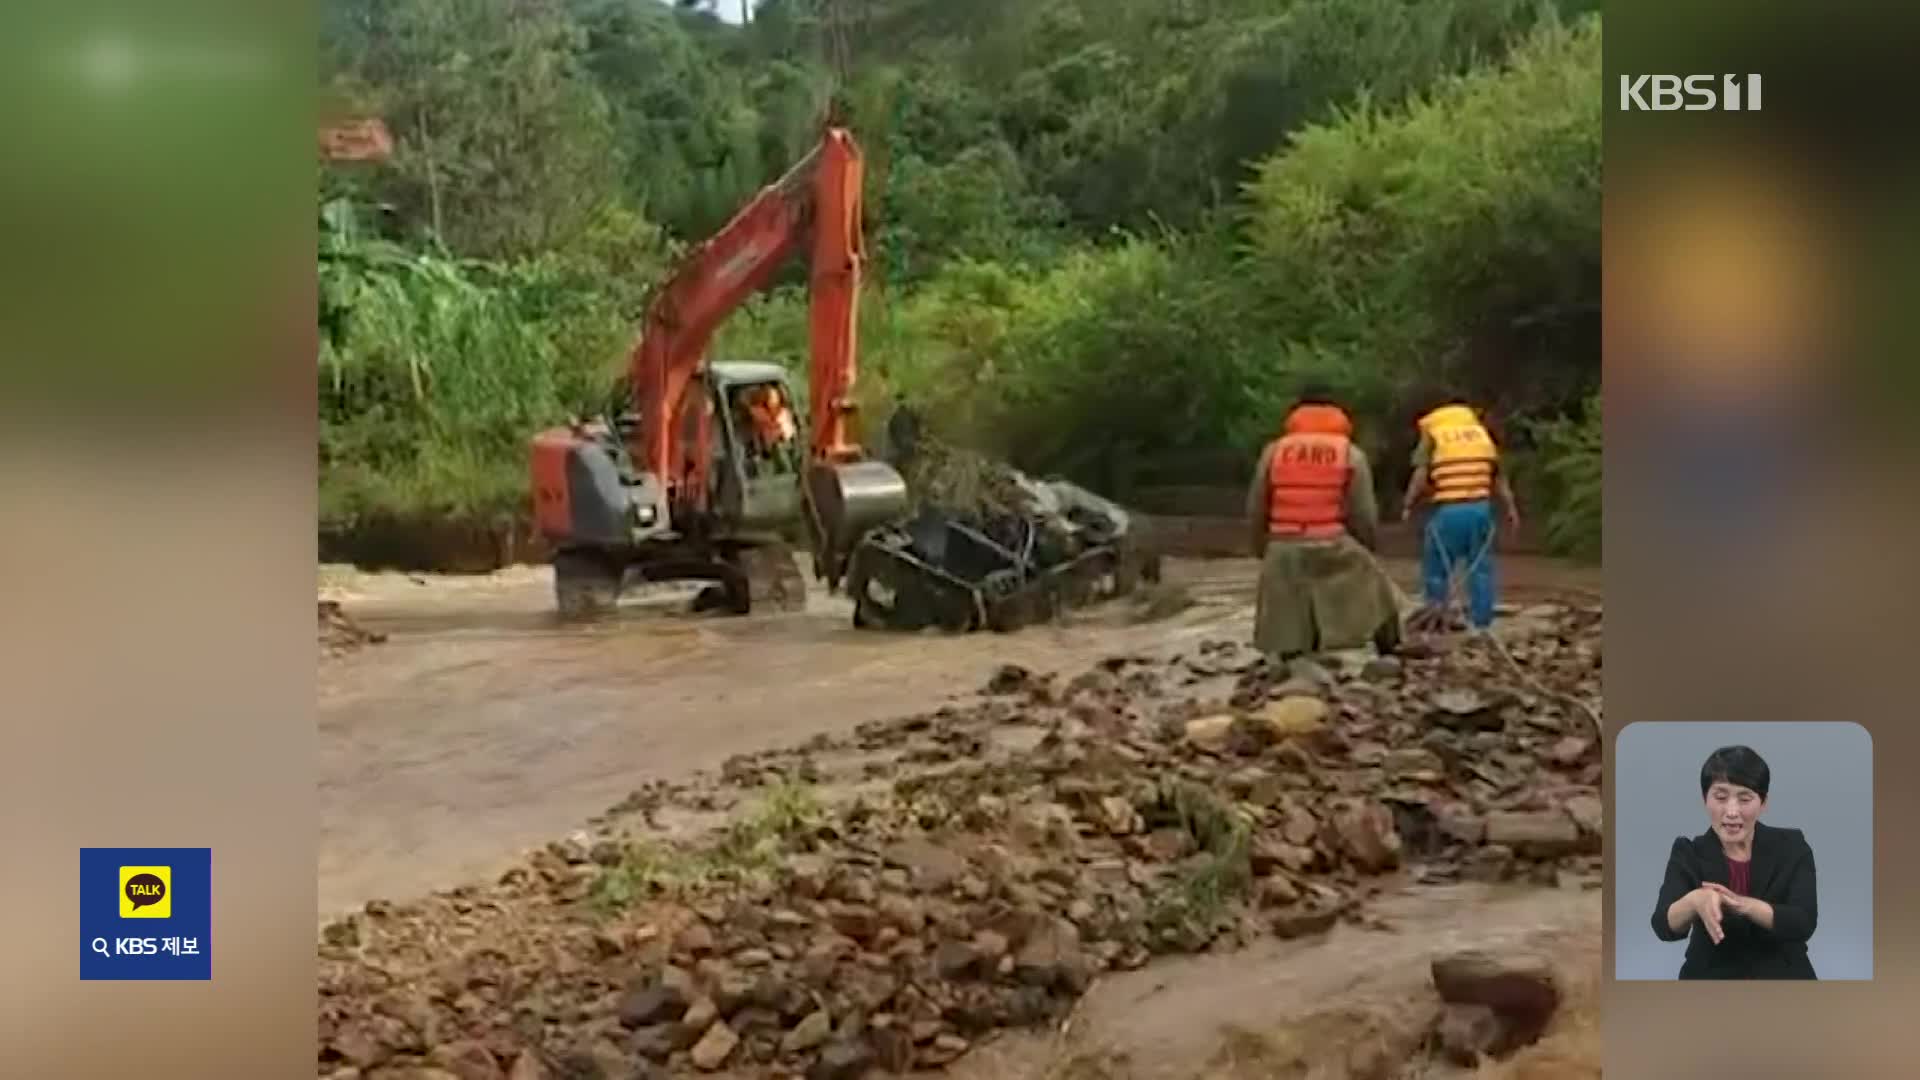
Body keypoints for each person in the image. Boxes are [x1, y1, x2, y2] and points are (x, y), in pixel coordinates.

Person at [1245, 385, 1401, 661]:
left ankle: (1292, 661)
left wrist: (1260, 547)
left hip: (1283, 544)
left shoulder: (1274, 452)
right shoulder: (1349, 453)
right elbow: (1363, 512)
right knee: (1380, 590)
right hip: (1331, 543)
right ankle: (1389, 650)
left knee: (1288, 612)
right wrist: (1369, 547)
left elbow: (1257, 506)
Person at [1650, 745, 1818, 979]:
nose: (1731, 811)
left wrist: (1742, 905)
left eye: (1744, 798)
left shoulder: (1792, 846)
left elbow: (1803, 922)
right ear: (1704, 798)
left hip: (1784, 977)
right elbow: (1663, 926)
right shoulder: (1689, 852)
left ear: (1763, 802)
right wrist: (1694, 900)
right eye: (1720, 797)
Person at [1400, 393, 1521, 630]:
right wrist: (1510, 508)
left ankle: (1437, 616)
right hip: (1480, 508)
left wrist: (1408, 504)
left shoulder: (1435, 431)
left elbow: (1421, 474)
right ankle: (1482, 624)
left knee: (1436, 567)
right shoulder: (1480, 433)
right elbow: (1498, 476)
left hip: (1449, 510)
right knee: (1481, 568)